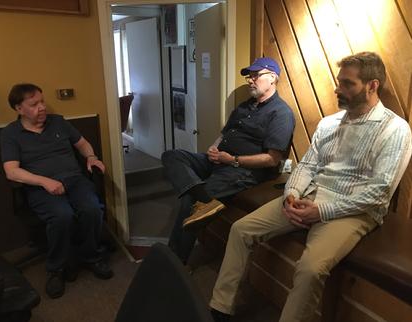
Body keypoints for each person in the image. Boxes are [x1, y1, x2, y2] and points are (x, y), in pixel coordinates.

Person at [209, 51, 412, 322]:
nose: (337, 89)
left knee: (310, 268)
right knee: (241, 229)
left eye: (348, 84)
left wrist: (321, 211)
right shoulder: (329, 124)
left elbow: (378, 193)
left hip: (353, 210)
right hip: (308, 196)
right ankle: (220, 308)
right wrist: (291, 193)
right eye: (339, 81)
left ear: (372, 85)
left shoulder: (395, 129)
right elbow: (306, 166)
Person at [162, 57, 295, 265]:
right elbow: (224, 134)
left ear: (272, 78)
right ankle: (202, 194)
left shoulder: (281, 113)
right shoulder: (244, 107)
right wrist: (214, 148)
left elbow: (272, 159)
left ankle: (174, 261)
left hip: (242, 170)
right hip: (219, 160)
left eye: (255, 76)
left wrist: (232, 159)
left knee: (190, 202)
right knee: (172, 155)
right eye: (249, 77)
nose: (250, 80)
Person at [0, 83, 113, 299]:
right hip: (42, 187)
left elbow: (82, 143)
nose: (42, 107)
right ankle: (56, 268)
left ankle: (91, 256)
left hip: (74, 180)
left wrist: (91, 157)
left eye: (42, 101)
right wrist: (44, 181)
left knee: (92, 209)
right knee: (62, 216)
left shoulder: (58, 122)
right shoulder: (10, 133)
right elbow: (12, 172)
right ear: (19, 108)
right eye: (34, 104)